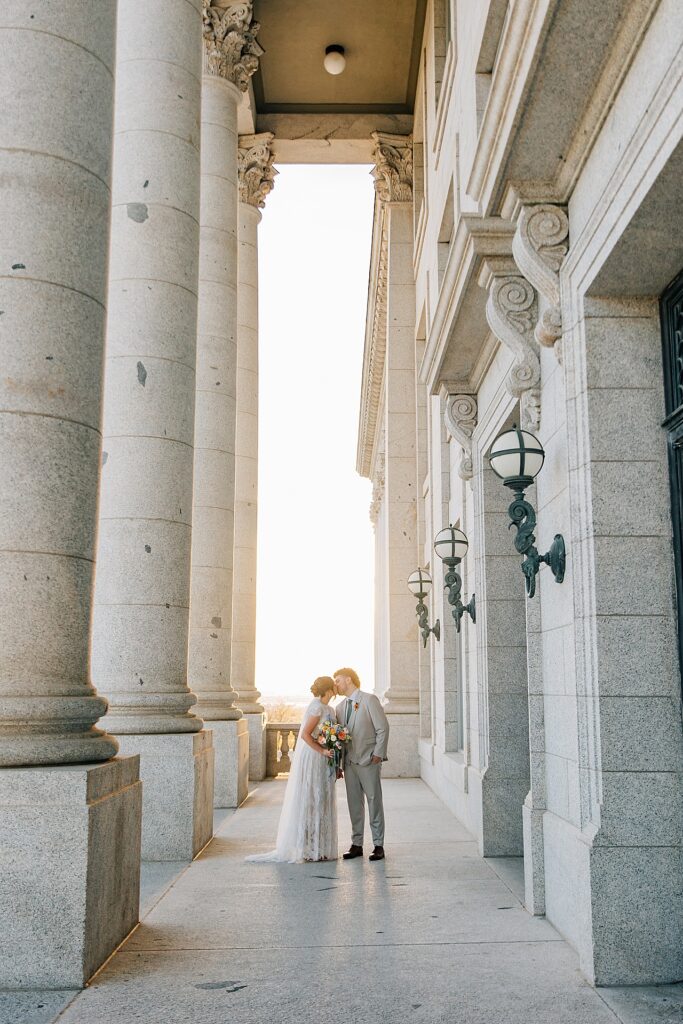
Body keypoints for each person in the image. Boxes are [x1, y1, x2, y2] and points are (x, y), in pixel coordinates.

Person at [246, 676, 338, 863]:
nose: (336, 687)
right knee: (311, 798)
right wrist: (322, 750)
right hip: (313, 757)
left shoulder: (330, 709)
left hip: (325, 758)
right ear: (328, 689)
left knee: (322, 799)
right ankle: (306, 847)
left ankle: (319, 846)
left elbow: (330, 734)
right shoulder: (317, 707)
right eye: (334, 685)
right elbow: (305, 734)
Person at [334, 667, 389, 861]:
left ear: (349, 680)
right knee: (354, 804)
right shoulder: (339, 708)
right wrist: (339, 764)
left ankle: (378, 845)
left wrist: (378, 755)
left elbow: (382, 728)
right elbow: (339, 737)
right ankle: (356, 844)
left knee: (374, 802)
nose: (336, 685)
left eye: (338, 680)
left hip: (369, 760)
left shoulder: (369, 700)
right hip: (349, 763)